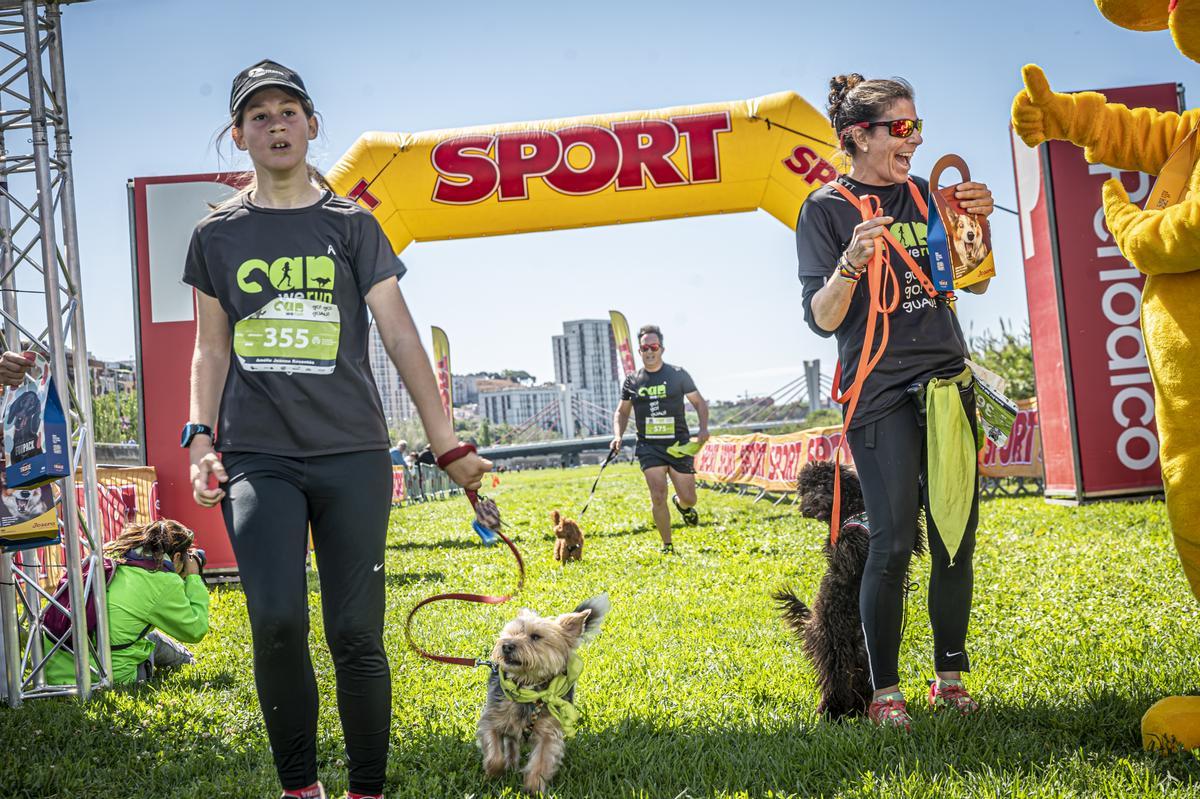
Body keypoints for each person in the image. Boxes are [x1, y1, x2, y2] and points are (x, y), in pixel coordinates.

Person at [183, 60, 490, 799]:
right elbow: (210, 345)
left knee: (356, 632)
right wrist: (199, 437)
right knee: (279, 620)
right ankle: (300, 787)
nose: (276, 124)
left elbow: (403, 338)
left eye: (289, 110)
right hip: (259, 456)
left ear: (313, 124)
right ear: (239, 135)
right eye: (260, 116)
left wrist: (446, 443)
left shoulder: (353, 226)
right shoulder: (216, 234)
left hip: (352, 453)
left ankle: (367, 789)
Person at [795, 73, 995, 730]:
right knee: (889, 543)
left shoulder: (927, 196)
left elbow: (973, 279)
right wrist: (850, 262)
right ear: (859, 136)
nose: (916, 137)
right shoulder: (825, 208)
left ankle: (951, 678)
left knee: (954, 541)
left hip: (946, 383)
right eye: (902, 127)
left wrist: (975, 222)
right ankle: (886, 695)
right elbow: (823, 319)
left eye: (918, 126)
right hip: (878, 392)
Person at [42, 519, 208, 685]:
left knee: (135, 632)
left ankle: (186, 659)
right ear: (177, 556)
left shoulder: (108, 554)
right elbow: (194, 630)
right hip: (106, 676)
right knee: (151, 639)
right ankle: (188, 660)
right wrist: (193, 577)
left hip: (53, 672)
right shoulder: (163, 580)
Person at [611, 324, 709, 553]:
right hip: (649, 446)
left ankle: (682, 506)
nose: (649, 351)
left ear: (662, 348)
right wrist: (617, 435)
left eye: (653, 346)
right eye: (645, 347)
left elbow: (699, 403)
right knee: (657, 495)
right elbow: (622, 411)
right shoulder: (632, 381)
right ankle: (667, 545)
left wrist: (703, 428)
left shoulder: (678, 374)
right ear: (639, 352)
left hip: (679, 445)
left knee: (689, 498)